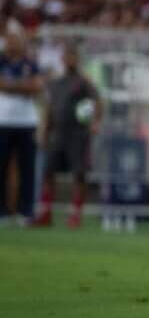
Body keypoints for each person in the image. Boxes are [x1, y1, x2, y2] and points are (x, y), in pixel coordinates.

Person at [35, 44, 102, 228]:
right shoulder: (56, 82)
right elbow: (49, 107)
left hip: (78, 133)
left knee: (79, 174)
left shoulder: (83, 82)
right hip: (57, 133)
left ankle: (75, 214)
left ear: (77, 59)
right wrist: (43, 130)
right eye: (66, 56)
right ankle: (45, 211)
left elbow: (97, 101)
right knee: (48, 172)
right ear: (62, 59)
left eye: (72, 56)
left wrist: (95, 121)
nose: (69, 59)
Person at [0, 29, 42, 223]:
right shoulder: (1, 61)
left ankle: (26, 211)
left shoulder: (30, 64)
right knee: (2, 166)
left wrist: (10, 85)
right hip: (3, 121)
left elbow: (36, 87)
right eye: (9, 40)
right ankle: (2, 212)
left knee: (28, 168)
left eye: (15, 40)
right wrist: (22, 86)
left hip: (26, 122)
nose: (11, 44)